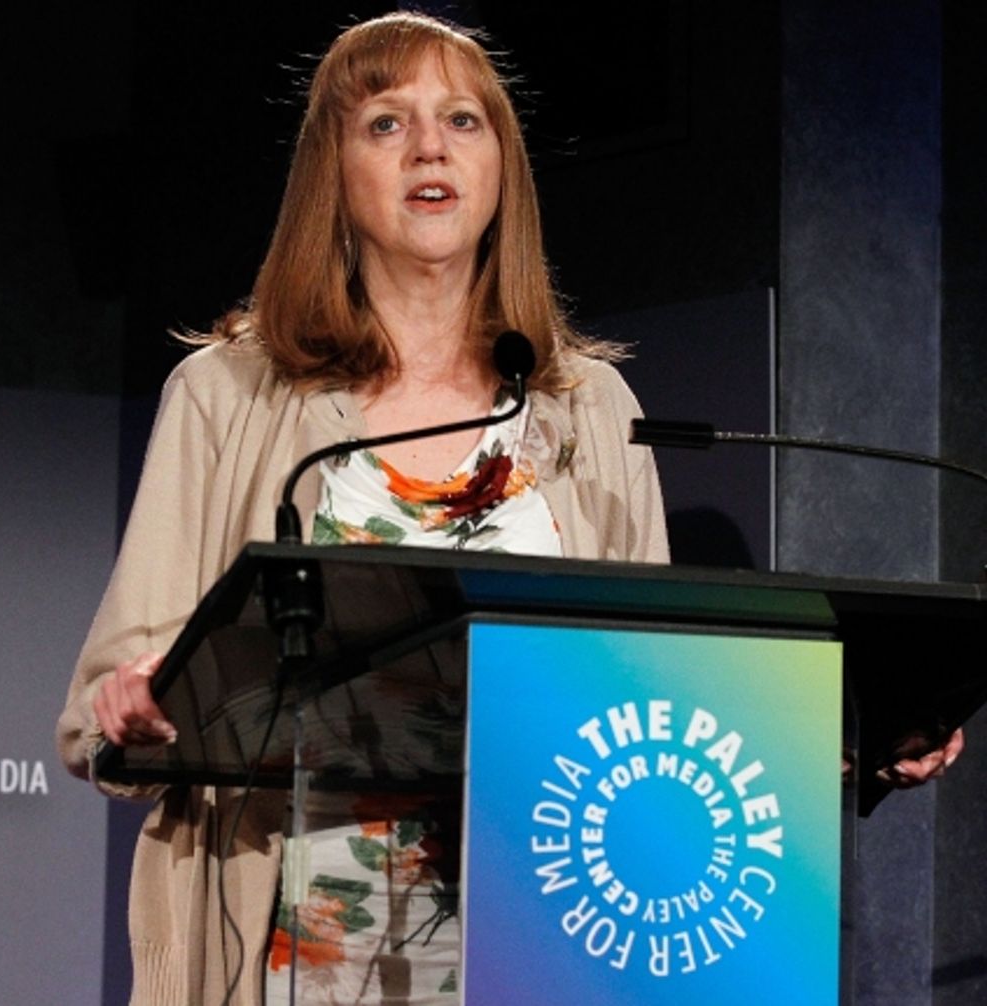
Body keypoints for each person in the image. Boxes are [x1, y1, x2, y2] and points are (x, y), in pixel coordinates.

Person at [57, 11, 960, 1005]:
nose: (430, 147)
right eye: (386, 123)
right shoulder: (231, 394)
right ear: (332, 174)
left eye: (462, 120)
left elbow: (656, 703)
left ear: (502, 169)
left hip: (544, 935)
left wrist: (853, 743)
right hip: (298, 939)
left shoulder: (586, 407)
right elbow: (114, 692)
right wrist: (134, 704)